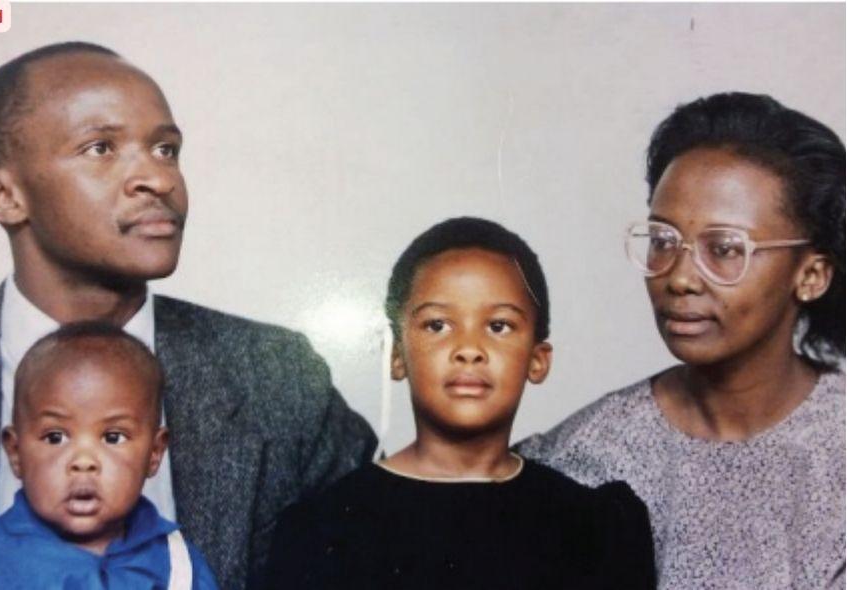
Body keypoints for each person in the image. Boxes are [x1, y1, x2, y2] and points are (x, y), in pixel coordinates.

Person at [0, 42, 377, 590]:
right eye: (101, 148)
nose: (159, 180)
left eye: (166, 149)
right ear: (4, 196)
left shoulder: (280, 378)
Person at [516, 92, 845, 589]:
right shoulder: (586, 457)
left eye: (725, 249)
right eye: (664, 241)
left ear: (812, 275)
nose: (681, 278)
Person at [262, 217, 656, 590]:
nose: (469, 349)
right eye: (438, 325)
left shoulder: (594, 527)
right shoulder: (323, 528)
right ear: (396, 355)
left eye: (498, 326)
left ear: (538, 360)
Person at [0, 323, 219, 589]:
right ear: (16, 452)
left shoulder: (180, 567)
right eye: (55, 437)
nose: (83, 461)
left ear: (154, 453)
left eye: (113, 437)